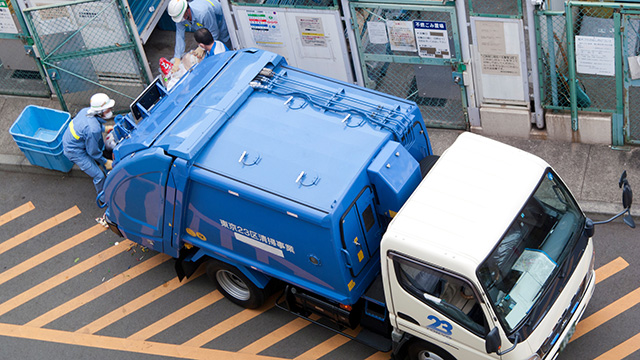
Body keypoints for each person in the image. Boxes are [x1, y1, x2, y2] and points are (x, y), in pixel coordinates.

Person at [62, 93, 114, 206]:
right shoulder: (93, 129)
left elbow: (93, 128)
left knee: (100, 146)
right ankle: (104, 199)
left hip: (74, 141)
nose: (110, 110)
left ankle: (101, 166)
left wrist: (105, 128)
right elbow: (92, 151)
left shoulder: (86, 111)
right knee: (99, 176)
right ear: (99, 112)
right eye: (107, 109)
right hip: (74, 152)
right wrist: (105, 162)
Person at [167, 0, 230, 65]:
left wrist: (202, 47)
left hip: (218, 19)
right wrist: (177, 57)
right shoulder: (181, 17)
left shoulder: (203, 13)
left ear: (187, 10)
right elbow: (180, 36)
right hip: (205, 20)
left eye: (182, 16)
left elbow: (214, 32)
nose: (181, 20)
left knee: (222, 45)